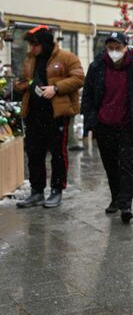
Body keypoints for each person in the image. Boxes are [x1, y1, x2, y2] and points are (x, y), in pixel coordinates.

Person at [81, 32, 133, 223]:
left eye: (118, 48)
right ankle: (115, 197)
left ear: (125, 48)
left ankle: (126, 204)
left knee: (126, 164)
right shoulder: (97, 67)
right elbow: (88, 96)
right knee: (110, 166)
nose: (114, 51)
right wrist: (90, 121)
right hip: (104, 125)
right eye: (111, 48)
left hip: (127, 125)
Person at [14, 25, 84, 209]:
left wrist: (56, 88)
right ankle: (36, 191)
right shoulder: (31, 59)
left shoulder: (66, 57)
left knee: (58, 154)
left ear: (44, 43)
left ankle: (56, 190)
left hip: (57, 114)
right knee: (34, 153)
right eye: (30, 45)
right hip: (34, 113)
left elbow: (78, 78)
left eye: (35, 44)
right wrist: (22, 85)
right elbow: (24, 79)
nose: (32, 48)